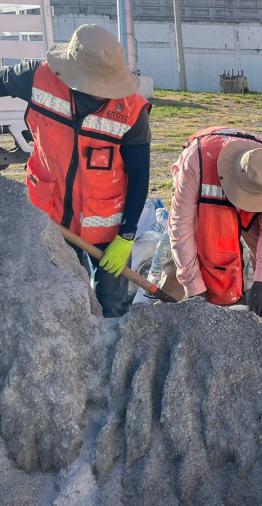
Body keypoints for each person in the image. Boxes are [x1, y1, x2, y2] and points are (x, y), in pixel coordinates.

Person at [0, 24, 151, 317]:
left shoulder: (131, 112)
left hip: (109, 228)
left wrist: (126, 236)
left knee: (113, 306)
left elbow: (139, 176)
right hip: (49, 216)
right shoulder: (38, 77)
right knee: (64, 302)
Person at [169, 127, 262, 318]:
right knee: (186, 251)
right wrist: (194, 287)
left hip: (254, 192)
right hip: (203, 193)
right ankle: (176, 313)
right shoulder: (197, 161)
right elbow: (180, 227)